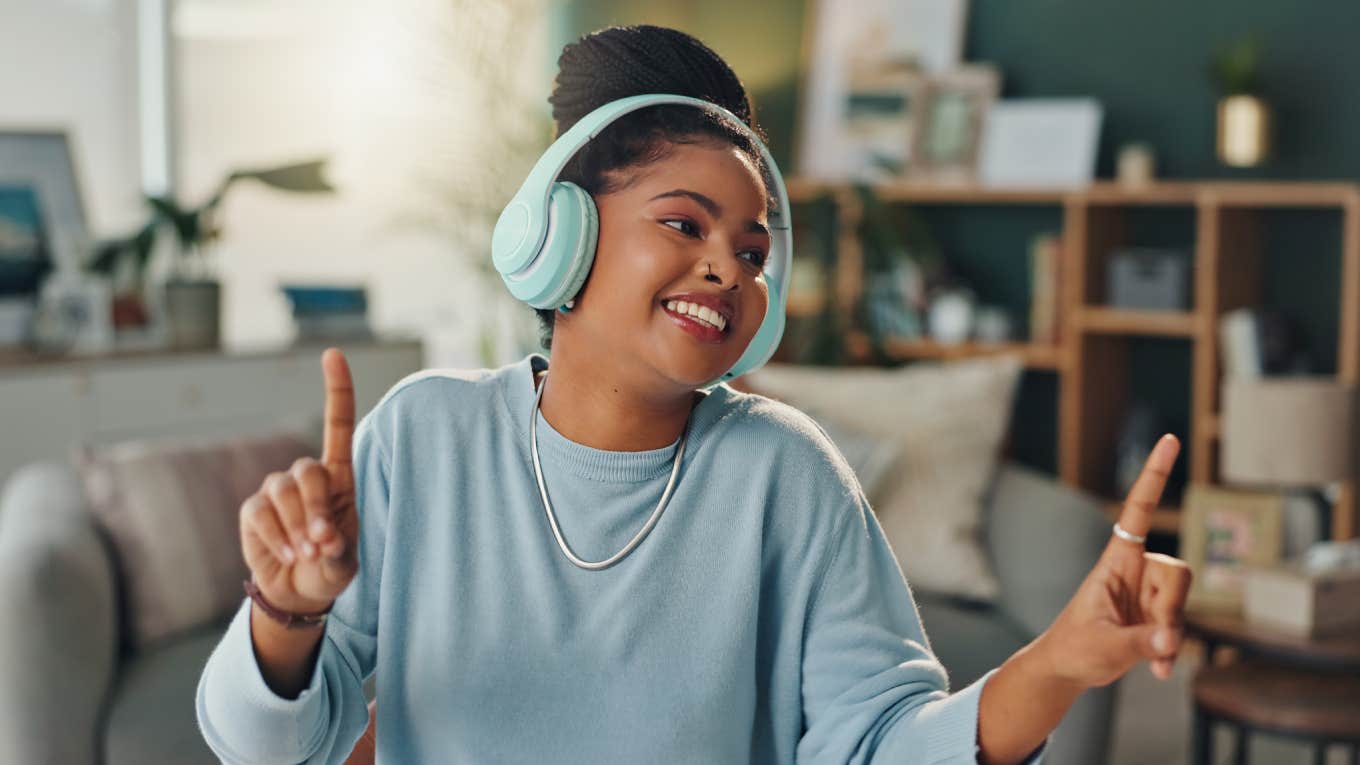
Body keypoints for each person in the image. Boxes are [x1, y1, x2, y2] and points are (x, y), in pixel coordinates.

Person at [195, 25, 1192, 764]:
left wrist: (1055, 662)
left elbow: (882, 743)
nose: (727, 265)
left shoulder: (787, 473)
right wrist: (284, 613)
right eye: (684, 224)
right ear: (562, 236)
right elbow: (265, 744)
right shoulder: (424, 437)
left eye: (753, 250)